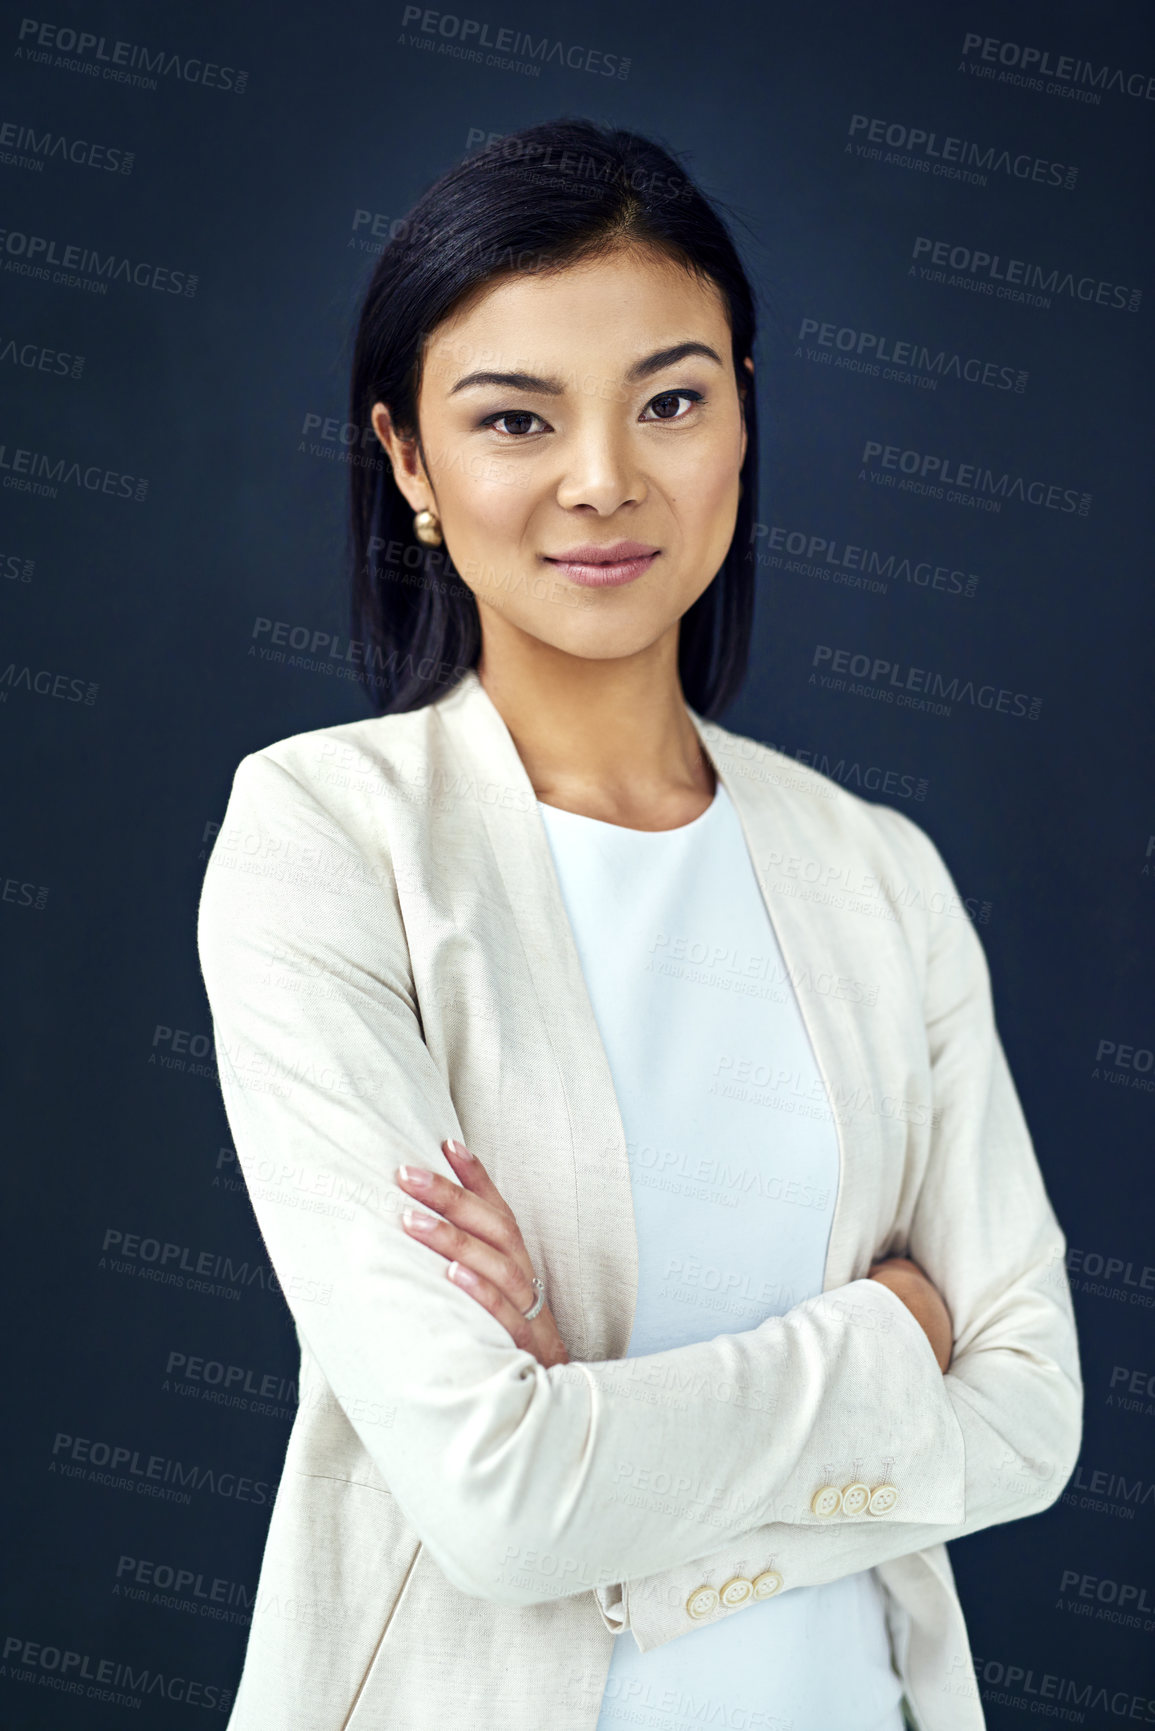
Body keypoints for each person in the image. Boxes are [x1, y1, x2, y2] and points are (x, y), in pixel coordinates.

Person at [197, 118, 1082, 1731]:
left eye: (670, 400)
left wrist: (589, 1406)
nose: (604, 477)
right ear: (407, 460)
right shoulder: (327, 841)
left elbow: (1030, 1423)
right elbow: (496, 1499)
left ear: (744, 410)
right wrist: (893, 1340)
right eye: (515, 418)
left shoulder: (881, 872)